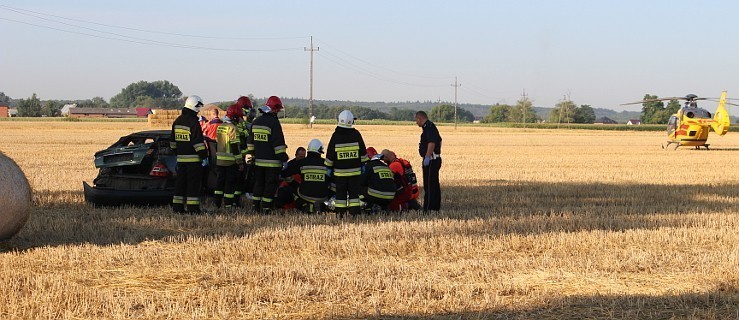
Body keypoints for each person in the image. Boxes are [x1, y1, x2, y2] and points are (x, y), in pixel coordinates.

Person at [247, 96, 288, 214]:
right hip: (272, 163)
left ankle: (255, 206)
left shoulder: (256, 122)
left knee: (258, 184)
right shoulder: (274, 123)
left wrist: (254, 154)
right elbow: (278, 145)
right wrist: (284, 159)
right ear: (275, 109)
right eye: (278, 110)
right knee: (269, 186)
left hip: (258, 162)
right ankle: (266, 208)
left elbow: (250, 143)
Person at [325, 110, 368, 217]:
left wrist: (328, 168)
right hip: (355, 172)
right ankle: (355, 214)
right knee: (354, 195)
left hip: (340, 173)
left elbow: (330, 154)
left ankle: (340, 214)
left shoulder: (335, 135)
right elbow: (363, 152)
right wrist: (363, 164)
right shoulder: (356, 134)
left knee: (340, 195)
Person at [171, 95, 208, 214]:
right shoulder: (193, 122)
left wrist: (178, 154)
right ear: (195, 107)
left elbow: (172, 142)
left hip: (181, 160)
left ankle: (177, 207)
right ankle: (193, 209)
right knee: (193, 185)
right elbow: (198, 143)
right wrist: (204, 155)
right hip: (193, 161)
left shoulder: (177, 121)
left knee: (180, 184)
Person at [282, 140, 330, 213]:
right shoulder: (326, 164)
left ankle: (305, 205)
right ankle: (321, 206)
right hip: (323, 197)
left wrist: (294, 184)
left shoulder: (301, 163)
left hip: (305, 196)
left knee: (290, 190)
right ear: (320, 151)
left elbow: (286, 174)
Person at [213, 105, 245, 209]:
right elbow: (235, 146)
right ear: (235, 117)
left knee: (219, 183)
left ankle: (217, 203)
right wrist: (239, 162)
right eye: (239, 117)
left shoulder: (221, 126)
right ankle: (228, 205)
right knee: (229, 184)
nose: (240, 119)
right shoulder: (233, 128)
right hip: (230, 162)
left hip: (220, 161)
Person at [416, 110, 442, 212]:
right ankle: (435, 207)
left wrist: (427, 157)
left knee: (429, 185)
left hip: (431, 160)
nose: (416, 122)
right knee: (434, 184)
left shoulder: (429, 127)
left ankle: (429, 208)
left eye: (416, 120)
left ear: (420, 118)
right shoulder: (429, 127)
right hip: (433, 159)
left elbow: (432, 143)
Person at [360, 147, 396, 213]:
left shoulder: (369, 166)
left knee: (359, 187)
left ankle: (368, 206)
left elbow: (361, 182)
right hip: (391, 197)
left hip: (377, 196)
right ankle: (382, 206)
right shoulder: (386, 166)